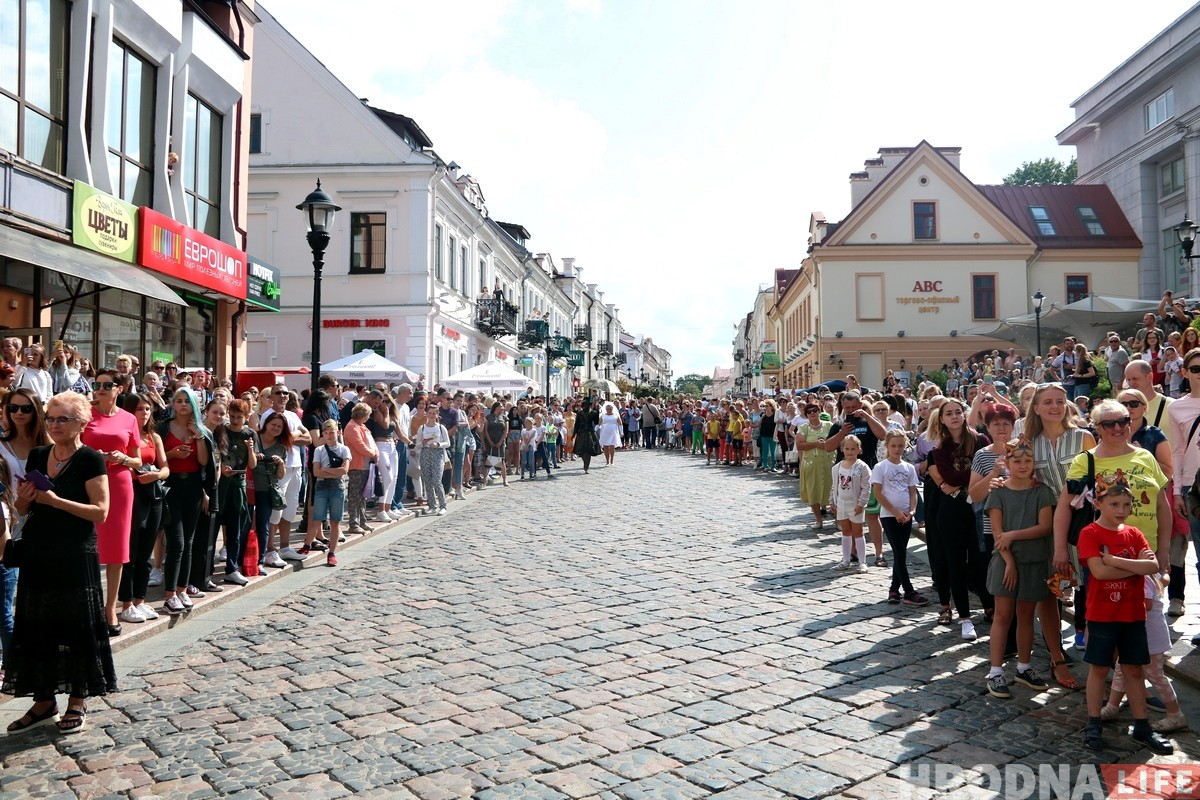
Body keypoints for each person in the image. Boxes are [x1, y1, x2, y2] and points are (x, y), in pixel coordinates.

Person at [1, 391, 114, 735]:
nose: (54, 424)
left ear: (81, 422)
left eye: (62, 418)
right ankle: (44, 699)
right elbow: (24, 510)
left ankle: (78, 699)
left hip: (75, 552)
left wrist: (56, 500)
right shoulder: (38, 455)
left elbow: (101, 512)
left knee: (76, 624)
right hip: (39, 551)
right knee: (38, 626)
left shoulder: (91, 459)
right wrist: (24, 500)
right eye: (50, 418)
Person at [1077, 470, 1174, 755]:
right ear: (1098, 504)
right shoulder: (1090, 533)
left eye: (1126, 505)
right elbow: (1099, 571)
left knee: (1133, 669)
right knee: (1098, 669)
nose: (1122, 510)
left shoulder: (1134, 533)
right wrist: (1133, 565)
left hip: (1132, 614)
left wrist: (1116, 559)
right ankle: (1093, 722)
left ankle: (1142, 726)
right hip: (1103, 613)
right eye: (1114, 504)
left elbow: (1153, 567)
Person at [982, 437, 1055, 699]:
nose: (1023, 465)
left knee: (1026, 616)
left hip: (1034, 561)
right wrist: (1010, 562)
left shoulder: (1042, 492)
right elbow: (998, 535)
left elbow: (1045, 527)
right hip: (1005, 562)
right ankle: (995, 671)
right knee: (1003, 615)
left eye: (1028, 461)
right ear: (1007, 463)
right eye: (1018, 461)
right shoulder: (999, 493)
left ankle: (1024, 666)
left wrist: (1015, 536)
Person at [81, 368, 142, 635]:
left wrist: (123, 458)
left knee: (117, 550)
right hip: (89, 483)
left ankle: (110, 608)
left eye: (108, 384)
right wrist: (92, 455)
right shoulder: (84, 415)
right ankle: (88, 607)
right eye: (98, 384)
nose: (102, 388)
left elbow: (138, 459)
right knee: (87, 545)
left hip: (119, 482)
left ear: (120, 388)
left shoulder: (129, 418)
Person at [928, 397, 987, 641]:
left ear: (964, 414)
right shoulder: (940, 449)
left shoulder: (980, 441)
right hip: (950, 511)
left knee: (980, 560)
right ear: (941, 419)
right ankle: (964, 617)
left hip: (979, 508)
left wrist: (964, 478)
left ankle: (989, 607)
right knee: (955, 563)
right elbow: (950, 476)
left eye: (958, 412)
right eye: (948, 413)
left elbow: (986, 466)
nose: (954, 416)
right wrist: (974, 475)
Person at [158, 389, 212, 615]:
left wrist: (197, 436)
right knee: (176, 542)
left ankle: (182, 590)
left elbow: (203, 461)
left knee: (188, 542)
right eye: (178, 401)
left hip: (192, 487)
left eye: (186, 402)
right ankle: (169, 594)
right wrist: (172, 454)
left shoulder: (201, 430)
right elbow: (156, 457)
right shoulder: (162, 427)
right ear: (172, 404)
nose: (182, 405)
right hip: (170, 486)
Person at [116, 393, 169, 623]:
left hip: (153, 494)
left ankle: (140, 600)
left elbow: (165, 467)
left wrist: (156, 474)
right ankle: (126, 602)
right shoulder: (124, 435)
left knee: (146, 550)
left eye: (148, 409)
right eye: (140, 409)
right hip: (132, 495)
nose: (145, 413)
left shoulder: (154, 436)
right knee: (131, 550)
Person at [872, 429, 925, 606]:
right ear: (887, 446)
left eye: (901, 446)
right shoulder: (881, 467)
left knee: (900, 553)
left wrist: (912, 511)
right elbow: (878, 494)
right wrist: (895, 512)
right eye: (893, 445)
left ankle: (894, 589)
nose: (897, 449)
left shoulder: (909, 468)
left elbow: (913, 492)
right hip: (889, 515)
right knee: (899, 552)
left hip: (906, 516)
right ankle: (909, 591)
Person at [213, 398, 256, 582]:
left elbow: (252, 465)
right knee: (213, 527)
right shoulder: (221, 431)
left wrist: (251, 449)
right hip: (221, 484)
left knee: (235, 530)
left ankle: (232, 568)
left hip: (238, 485)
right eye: (232, 416)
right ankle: (207, 568)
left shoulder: (250, 434)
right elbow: (215, 457)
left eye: (239, 417)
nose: (235, 420)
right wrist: (221, 469)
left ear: (246, 417)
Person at [309, 420, 349, 566]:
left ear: (337, 432)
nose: (329, 435)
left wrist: (326, 470)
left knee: (335, 521)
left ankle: (332, 552)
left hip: (337, 486)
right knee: (317, 518)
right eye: (326, 433)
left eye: (331, 432)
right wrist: (334, 472)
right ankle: (307, 545)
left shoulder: (344, 449)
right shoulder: (319, 450)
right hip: (322, 486)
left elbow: (344, 471)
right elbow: (316, 471)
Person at [830, 435, 871, 573]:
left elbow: (866, 487)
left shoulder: (862, 467)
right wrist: (833, 501)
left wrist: (861, 504)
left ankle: (862, 561)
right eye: (847, 448)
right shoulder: (837, 468)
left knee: (858, 532)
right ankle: (845, 560)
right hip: (841, 503)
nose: (850, 451)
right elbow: (834, 486)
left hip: (855, 504)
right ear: (842, 449)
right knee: (845, 531)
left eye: (853, 449)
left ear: (858, 449)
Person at [794, 404, 833, 530]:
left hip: (829, 462)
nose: (812, 413)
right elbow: (800, 445)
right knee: (813, 490)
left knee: (833, 490)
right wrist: (815, 444)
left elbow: (837, 440)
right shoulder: (803, 428)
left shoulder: (829, 425)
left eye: (815, 410)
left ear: (819, 411)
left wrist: (827, 443)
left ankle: (838, 520)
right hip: (811, 464)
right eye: (809, 411)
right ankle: (818, 519)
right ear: (806, 415)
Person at [343, 403, 377, 535]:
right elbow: (359, 445)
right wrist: (373, 454)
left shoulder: (361, 426)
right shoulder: (352, 427)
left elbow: (371, 442)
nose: (368, 418)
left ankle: (362, 520)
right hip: (357, 465)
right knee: (355, 496)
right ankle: (353, 523)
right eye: (367, 415)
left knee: (363, 496)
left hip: (365, 464)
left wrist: (375, 453)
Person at [416, 406, 449, 514]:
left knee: (436, 479)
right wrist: (423, 443)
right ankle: (432, 505)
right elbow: (417, 445)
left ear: (437, 415)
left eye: (434, 413)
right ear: (427, 414)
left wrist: (438, 444)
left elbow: (447, 443)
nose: (432, 415)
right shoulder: (422, 428)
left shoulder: (440, 427)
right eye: (430, 413)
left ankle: (443, 505)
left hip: (437, 453)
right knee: (428, 480)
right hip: (425, 453)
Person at [574, 398, 600, 474]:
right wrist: (574, 433)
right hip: (581, 433)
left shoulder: (593, 413)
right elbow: (577, 424)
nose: (585, 406)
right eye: (584, 405)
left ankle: (586, 466)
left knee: (588, 450)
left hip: (589, 433)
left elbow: (596, 422)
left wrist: (597, 411)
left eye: (586, 405)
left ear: (589, 405)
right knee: (581, 451)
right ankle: (585, 462)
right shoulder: (579, 413)